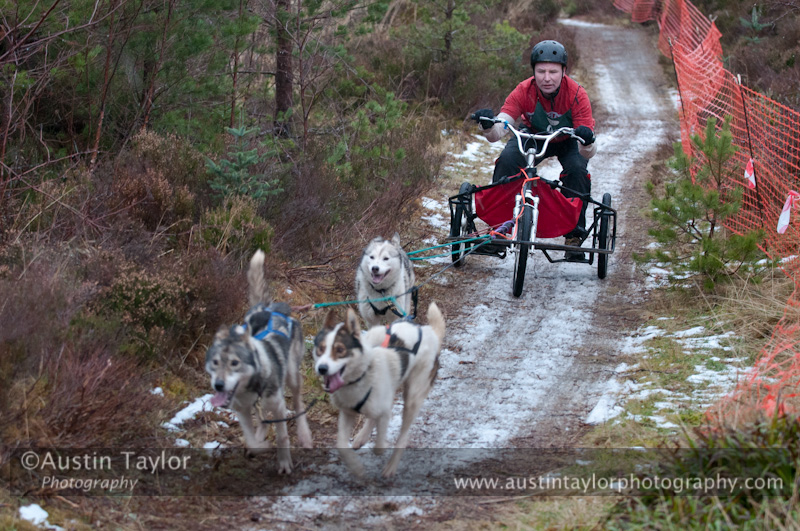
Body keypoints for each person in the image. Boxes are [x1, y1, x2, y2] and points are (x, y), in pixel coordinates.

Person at [472, 40, 596, 261]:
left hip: (568, 140)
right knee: (507, 160)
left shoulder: (577, 94)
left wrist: (586, 142)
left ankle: (574, 236)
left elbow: (588, 152)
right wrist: (488, 125)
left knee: (577, 170)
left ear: (563, 71)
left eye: (553, 72)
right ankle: (499, 229)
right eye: (541, 71)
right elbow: (499, 130)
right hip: (532, 135)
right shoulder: (523, 90)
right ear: (534, 72)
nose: (546, 78)